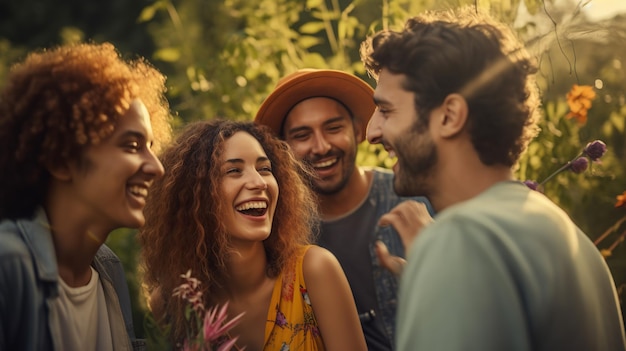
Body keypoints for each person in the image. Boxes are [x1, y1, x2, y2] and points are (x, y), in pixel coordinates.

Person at [360, 6, 626, 351]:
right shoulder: (566, 236)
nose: (371, 132)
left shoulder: (463, 239)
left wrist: (441, 263)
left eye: (386, 110)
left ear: (450, 116)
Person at [0, 42, 172, 351]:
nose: (156, 167)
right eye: (132, 146)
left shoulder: (109, 271)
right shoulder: (7, 267)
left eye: (151, 146)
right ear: (61, 159)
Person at [139, 120, 366, 351]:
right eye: (234, 171)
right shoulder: (171, 303)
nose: (259, 183)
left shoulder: (315, 270)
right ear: (192, 195)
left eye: (265, 169)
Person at [255, 68, 433, 350]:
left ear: (358, 130)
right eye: (302, 135)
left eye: (333, 128)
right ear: (283, 149)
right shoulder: (276, 236)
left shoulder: (417, 201)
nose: (322, 146)